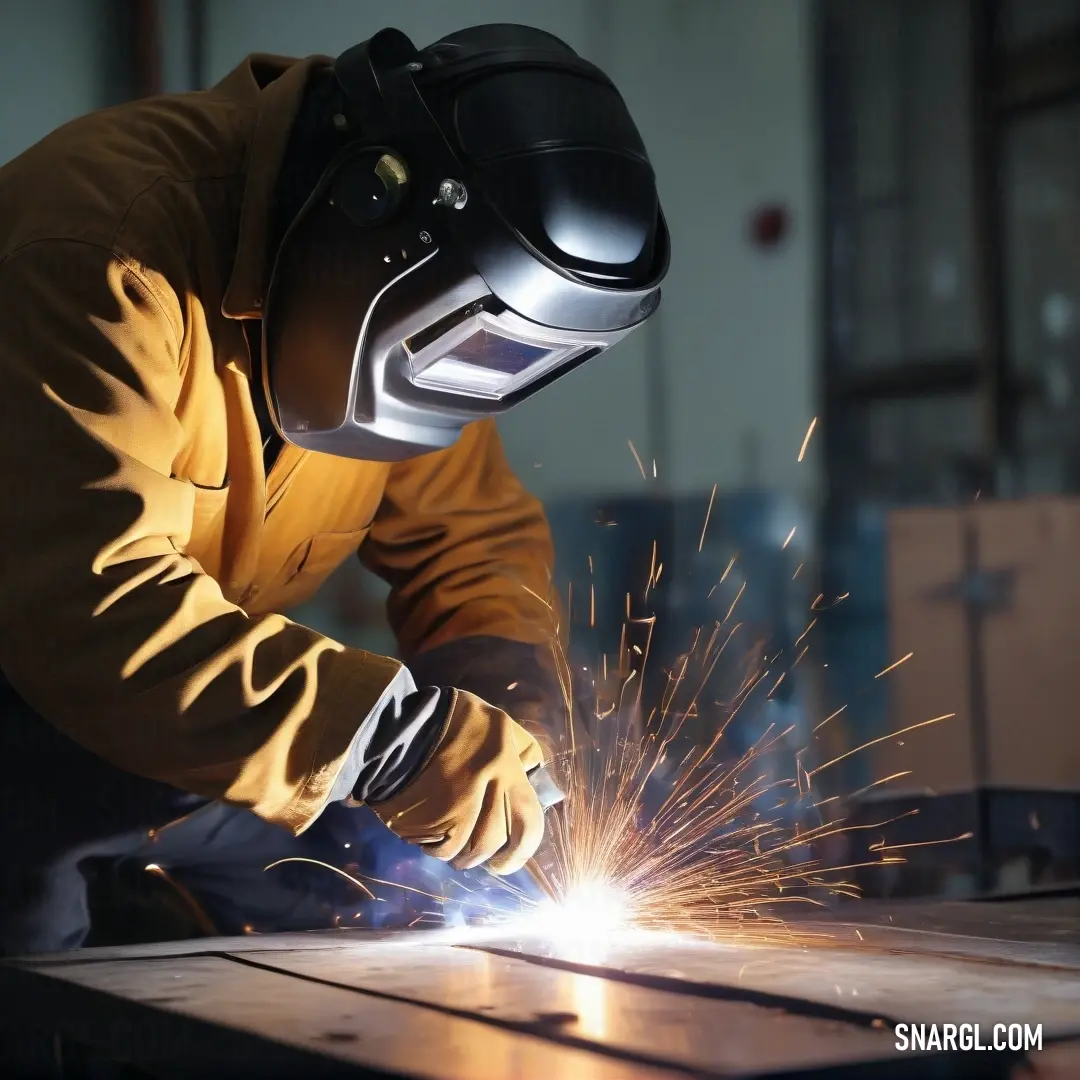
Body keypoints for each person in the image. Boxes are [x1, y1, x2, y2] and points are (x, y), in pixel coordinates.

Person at [0, 24, 669, 953]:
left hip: (191, 728)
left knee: (394, 898)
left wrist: (507, 703)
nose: (471, 383)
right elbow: (84, 605)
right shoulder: (104, 255)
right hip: (28, 717)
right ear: (370, 214)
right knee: (44, 1004)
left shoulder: (402, 312)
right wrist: (395, 743)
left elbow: (467, 544)